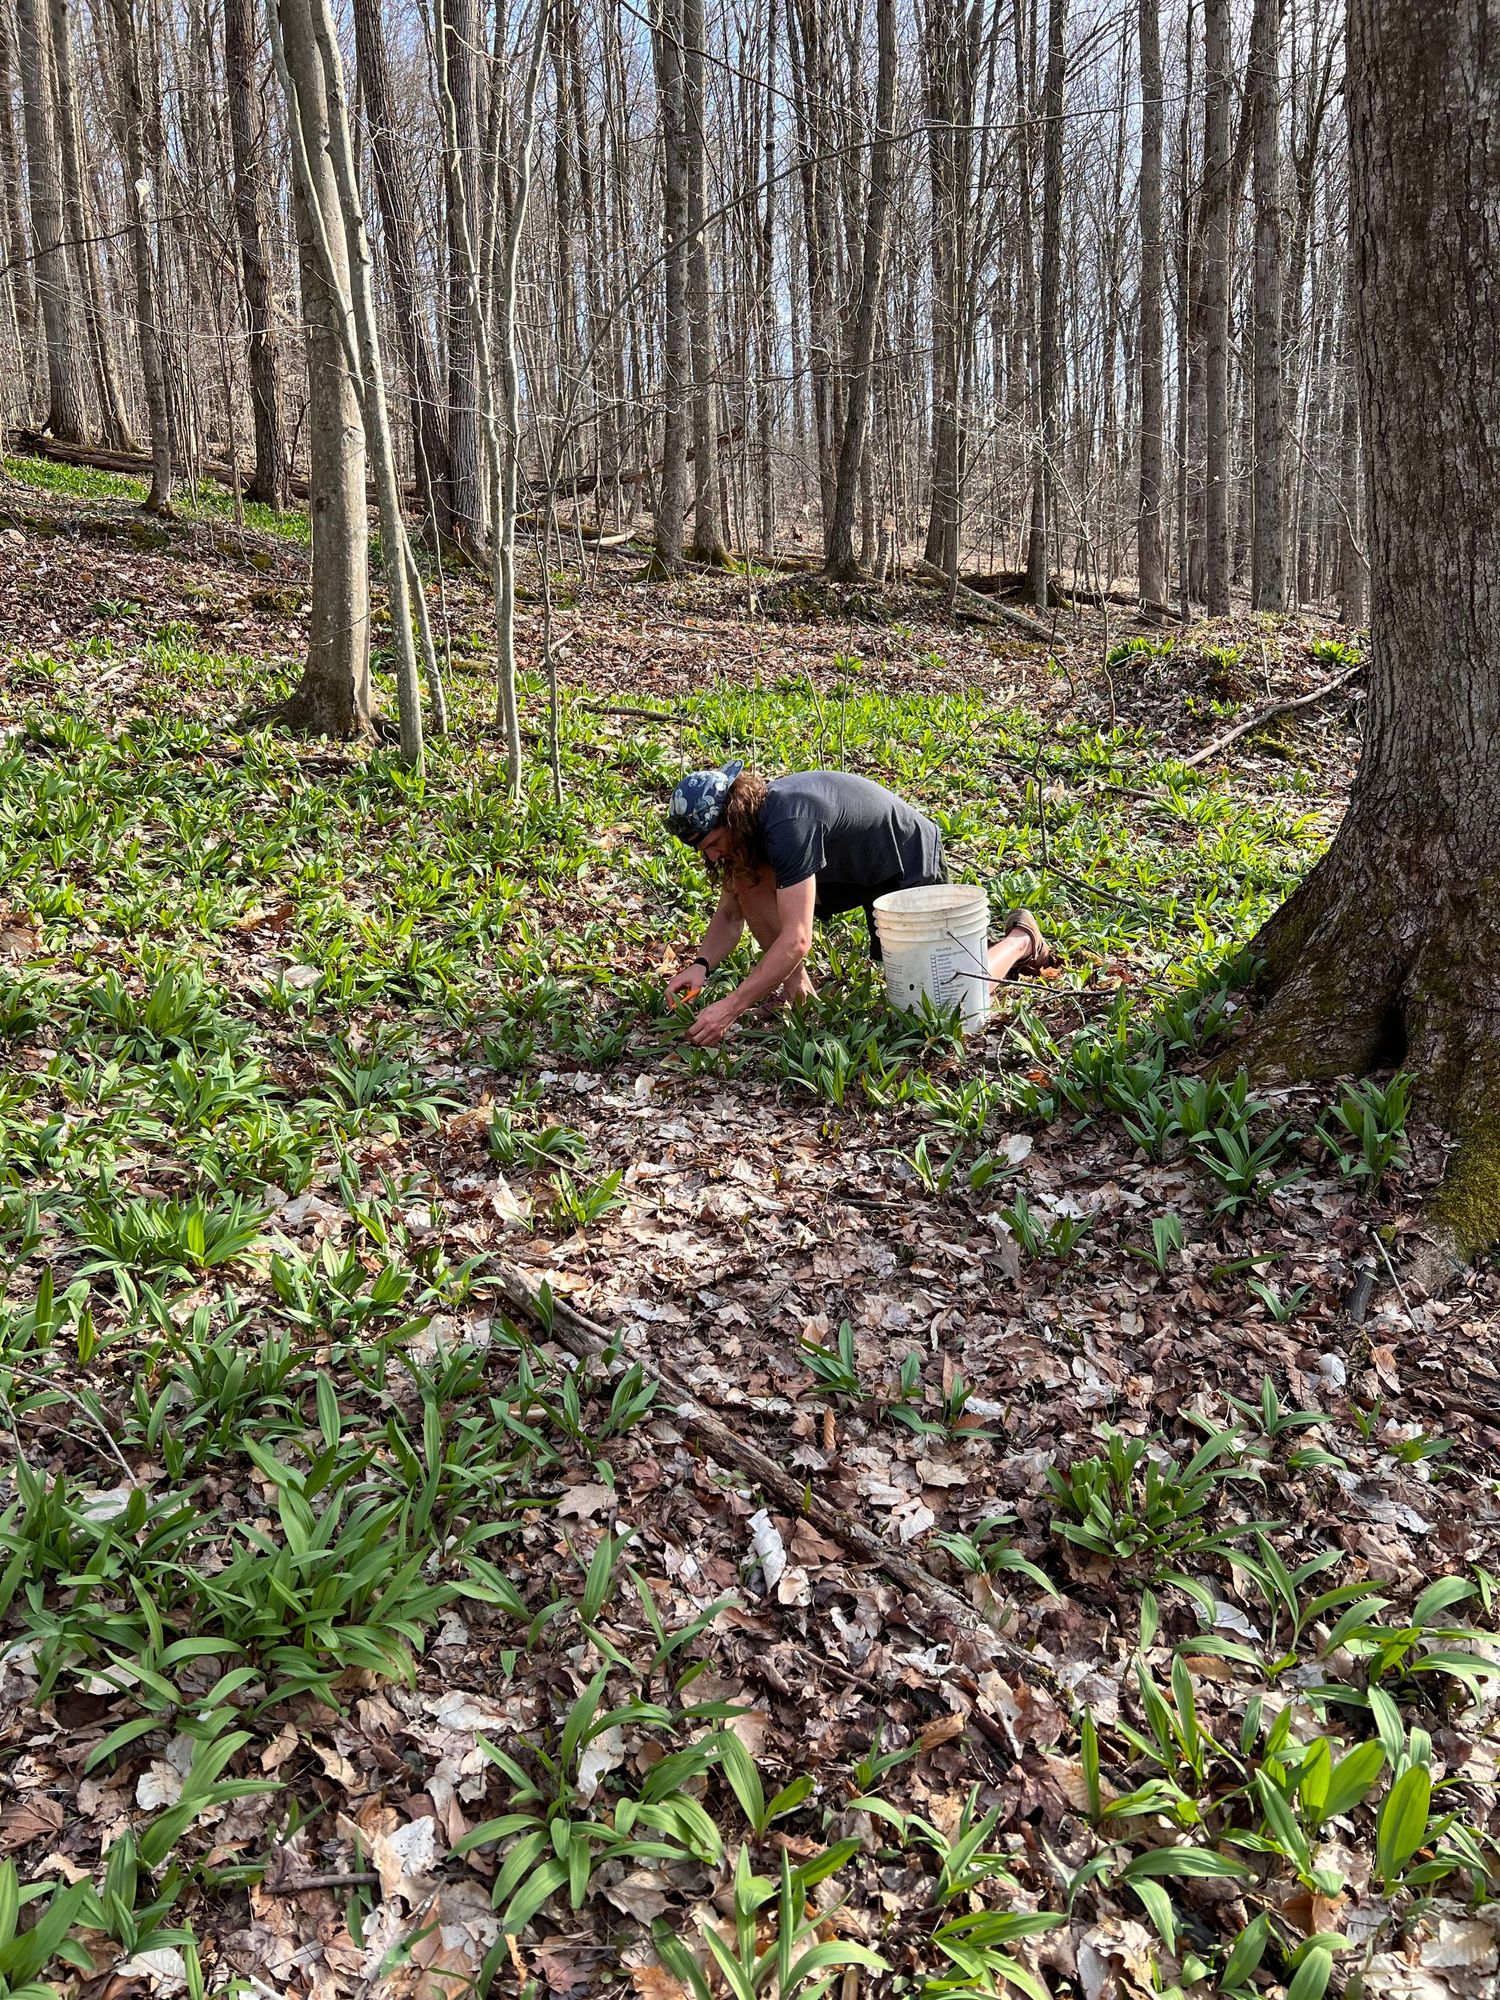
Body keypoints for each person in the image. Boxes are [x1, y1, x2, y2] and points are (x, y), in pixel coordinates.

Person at [664, 761, 1052, 1045]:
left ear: (733, 816)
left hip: (905, 859)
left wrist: (730, 1008)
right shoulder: (750, 833)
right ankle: (801, 1000)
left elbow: (799, 939)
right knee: (748, 885)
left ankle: (1022, 939)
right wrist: (701, 966)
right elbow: (731, 914)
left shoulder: (787, 825)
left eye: (714, 844)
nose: (712, 857)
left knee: (943, 1007)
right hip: (846, 868)